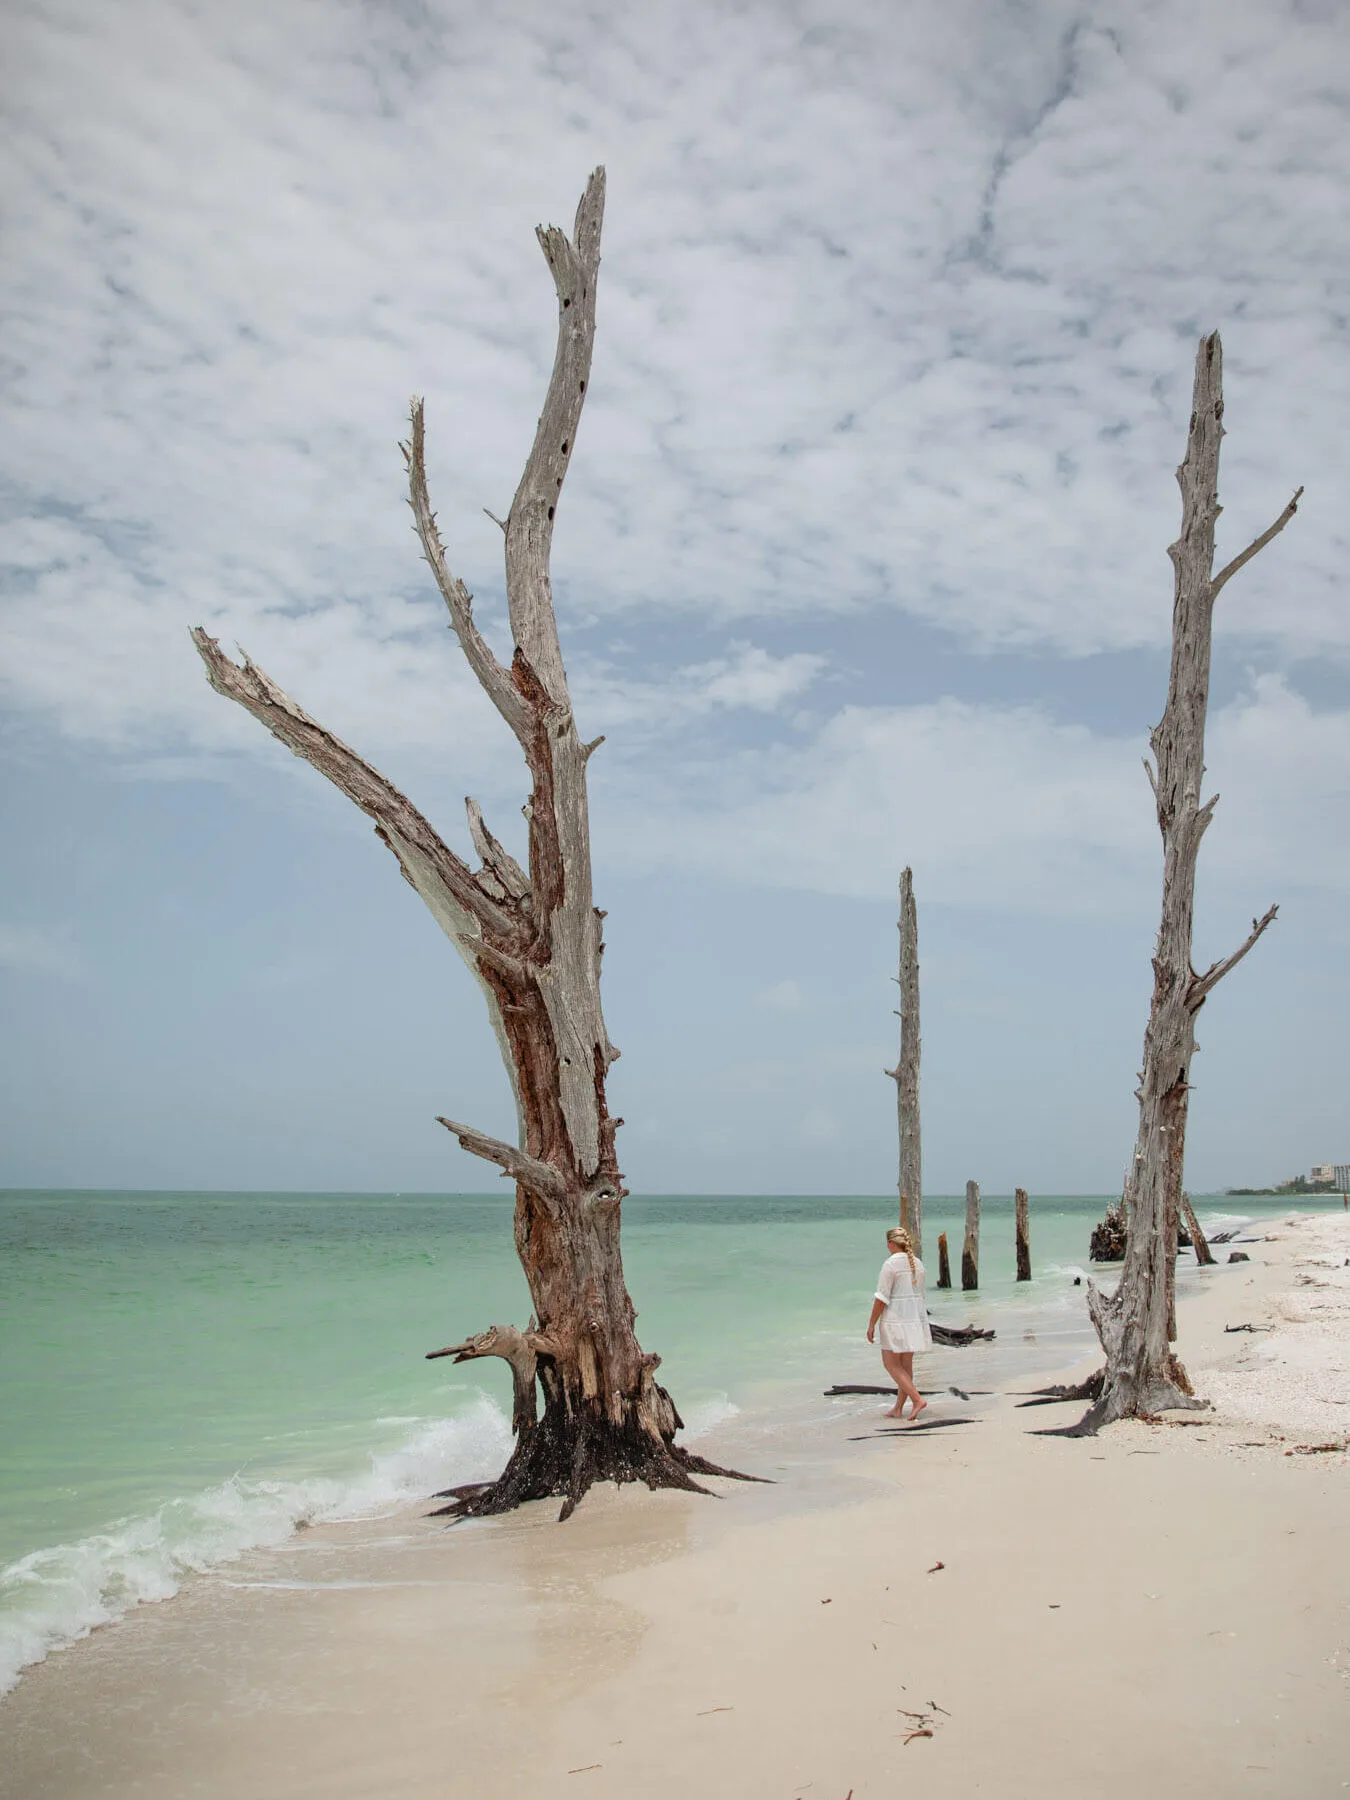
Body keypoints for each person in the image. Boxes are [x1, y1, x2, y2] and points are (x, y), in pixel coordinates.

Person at [866, 1225, 932, 1422]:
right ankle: (898, 1408)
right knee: (905, 1365)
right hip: (913, 1320)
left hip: (895, 1321)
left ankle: (917, 1399)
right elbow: (921, 1296)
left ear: (890, 1244)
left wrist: (871, 1324)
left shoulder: (890, 1264)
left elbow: (881, 1298)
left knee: (891, 1364)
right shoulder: (918, 1264)